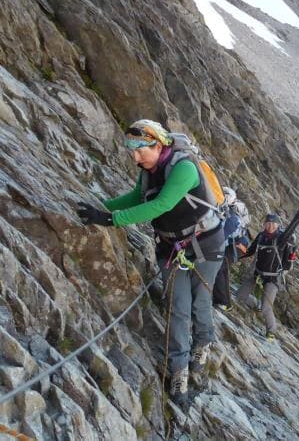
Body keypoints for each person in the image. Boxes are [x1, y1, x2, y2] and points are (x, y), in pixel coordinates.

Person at [76, 120, 224, 407]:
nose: (135, 157)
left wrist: (110, 219)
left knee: (199, 303)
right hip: (171, 247)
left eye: (139, 150)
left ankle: (203, 343)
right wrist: (102, 206)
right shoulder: (149, 170)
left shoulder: (184, 168)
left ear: (158, 144)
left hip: (206, 244)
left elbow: (162, 205)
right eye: (131, 151)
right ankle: (179, 372)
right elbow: (137, 197)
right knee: (177, 309)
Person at [237, 206, 299, 341]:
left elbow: (290, 229)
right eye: (268, 223)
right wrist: (235, 256)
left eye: (273, 224)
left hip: (272, 279)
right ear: (264, 224)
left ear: (277, 225)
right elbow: (250, 251)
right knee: (240, 296)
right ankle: (256, 305)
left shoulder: (281, 239)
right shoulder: (261, 236)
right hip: (257, 274)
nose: (270, 226)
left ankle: (271, 331)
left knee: (266, 308)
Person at [212, 187, 251, 311]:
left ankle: (223, 301)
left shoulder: (232, 216)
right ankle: (225, 302)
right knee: (222, 267)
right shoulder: (223, 209)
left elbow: (222, 236)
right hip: (235, 243)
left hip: (238, 245)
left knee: (219, 264)